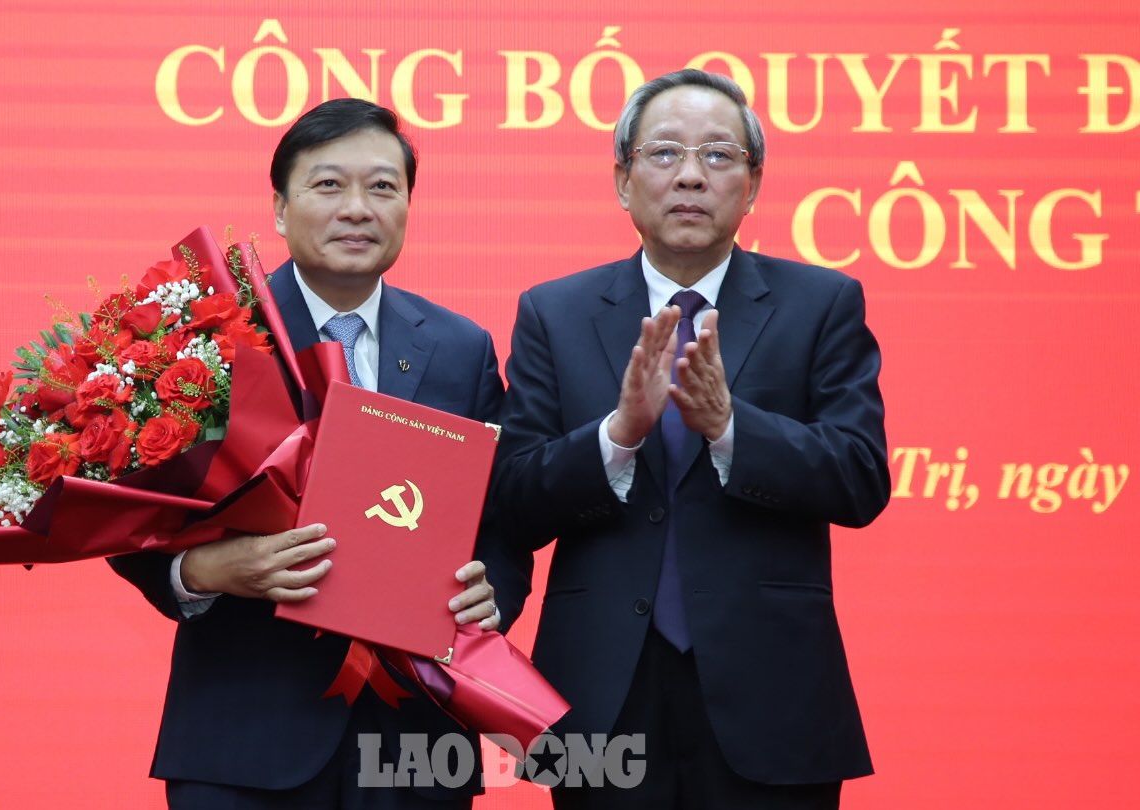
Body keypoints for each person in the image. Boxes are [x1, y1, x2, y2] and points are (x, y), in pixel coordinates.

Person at [485, 69, 891, 808]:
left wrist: (730, 427)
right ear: (622, 178)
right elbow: (510, 496)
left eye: (718, 156)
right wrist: (616, 435)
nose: (690, 178)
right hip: (602, 693)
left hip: (770, 691)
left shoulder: (821, 303)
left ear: (753, 182)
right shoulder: (554, 312)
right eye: (665, 154)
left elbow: (860, 477)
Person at [110, 98, 503, 809]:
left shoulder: (461, 349)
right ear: (280, 208)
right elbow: (125, 515)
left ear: (408, 206)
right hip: (242, 736)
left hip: (411, 745)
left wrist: (488, 591)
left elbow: (496, 517)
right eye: (328, 185)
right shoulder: (208, 336)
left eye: (382, 187)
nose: (357, 207)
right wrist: (204, 570)